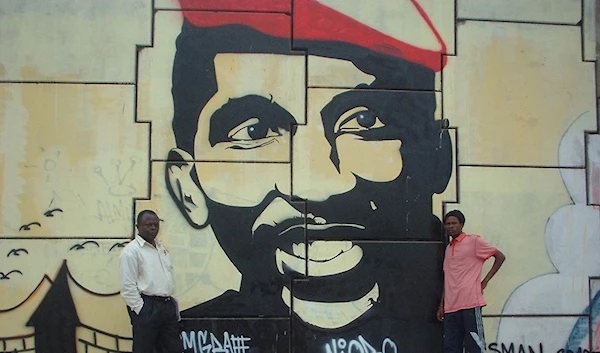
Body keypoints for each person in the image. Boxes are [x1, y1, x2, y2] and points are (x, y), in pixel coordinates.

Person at [165, 1, 453, 351]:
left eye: (364, 123)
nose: (313, 185)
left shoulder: (449, 330)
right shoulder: (198, 338)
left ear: (437, 158)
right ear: (188, 189)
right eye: (254, 132)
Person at [437, 210, 506, 353]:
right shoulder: (448, 249)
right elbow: (448, 278)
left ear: (461, 224)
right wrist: (442, 304)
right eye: (448, 224)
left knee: (475, 346)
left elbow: (499, 257)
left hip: (470, 303)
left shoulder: (474, 241)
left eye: (454, 223)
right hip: (451, 307)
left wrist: (485, 281)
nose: (451, 226)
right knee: (451, 348)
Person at [119, 210, 183, 353]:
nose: (153, 227)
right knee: (144, 349)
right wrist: (140, 309)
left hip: (166, 306)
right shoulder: (131, 251)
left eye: (156, 224)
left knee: (175, 348)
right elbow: (127, 286)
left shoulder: (161, 248)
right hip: (147, 306)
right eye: (148, 225)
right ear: (138, 227)